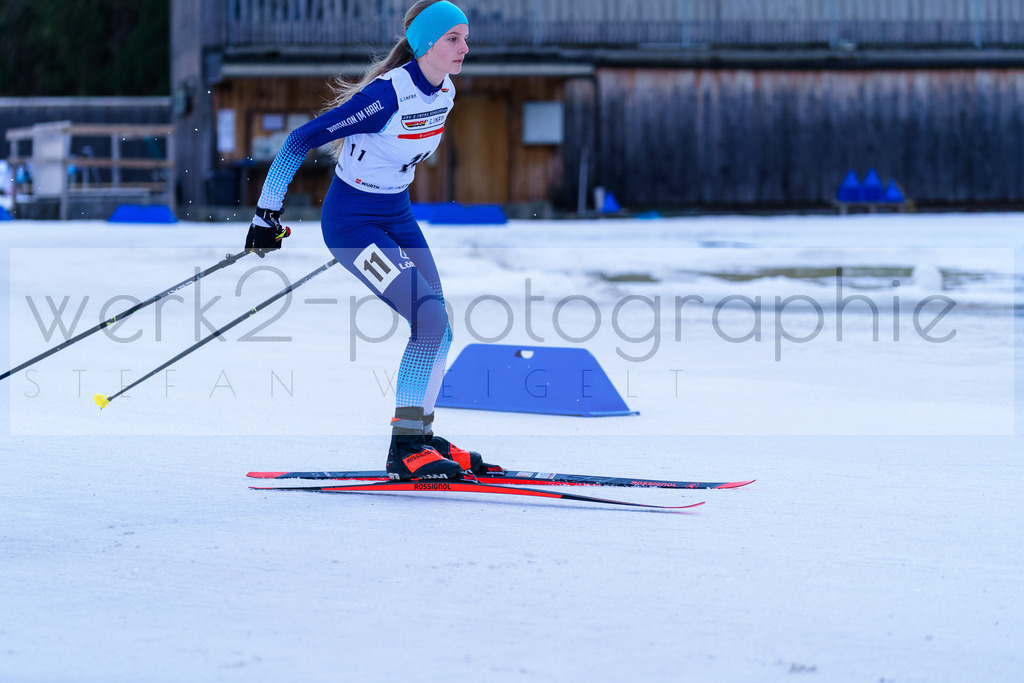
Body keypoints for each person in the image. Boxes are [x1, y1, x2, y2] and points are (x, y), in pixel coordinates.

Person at [245, 0, 501, 481]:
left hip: (395, 213)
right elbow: (300, 139)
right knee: (426, 316)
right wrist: (266, 214)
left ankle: (420, 435)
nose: (465, 47)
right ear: (426, 43)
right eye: (453, 38)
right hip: (351, 224)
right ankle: (404, 447)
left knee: (439, 324)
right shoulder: (385, 97)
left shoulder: (444, 91)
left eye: (466, 37)